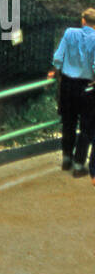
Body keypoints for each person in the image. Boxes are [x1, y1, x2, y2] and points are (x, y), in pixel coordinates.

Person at [49, 10, 95, 176]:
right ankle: (78, 163)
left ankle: (66, 158)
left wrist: (54, 71)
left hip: (67, 84)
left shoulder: (69, 33)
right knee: (86, 126)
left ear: (83, 20)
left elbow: (58, 57)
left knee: (68, 122)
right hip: (87, 87)